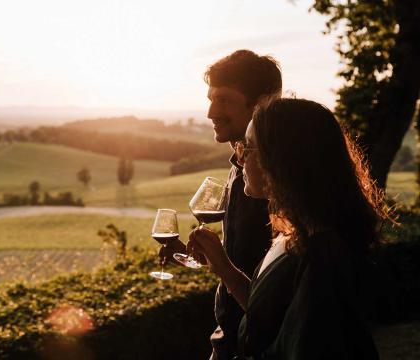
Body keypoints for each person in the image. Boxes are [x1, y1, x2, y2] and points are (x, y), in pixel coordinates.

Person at [188, 98, 386, 359]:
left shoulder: (322, 255)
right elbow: (270, 317)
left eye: (248, 148)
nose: (240, 159)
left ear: (282, 160)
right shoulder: (293, 233)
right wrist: (224, 268)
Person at [162, 49, 282, 359]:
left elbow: (278, 302)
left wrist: (224, 266)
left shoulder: (278, 183)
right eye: (211, 99)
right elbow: (248, 259)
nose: (211, 112)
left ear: (261, 104)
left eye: (224, 99)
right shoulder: (237, 169)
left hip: (257, 346)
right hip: (229, 339)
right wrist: (208, 255)